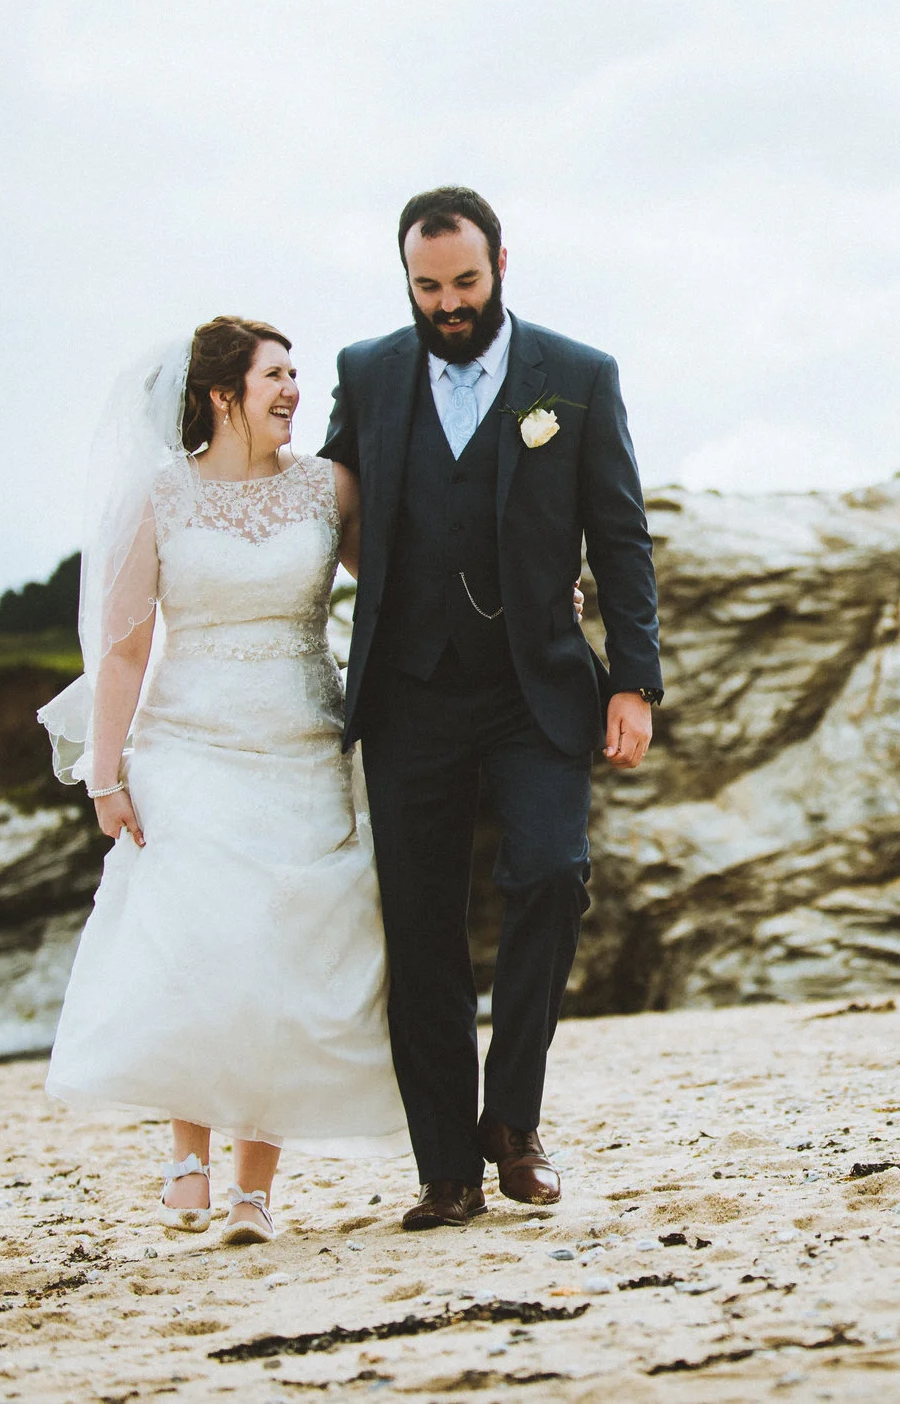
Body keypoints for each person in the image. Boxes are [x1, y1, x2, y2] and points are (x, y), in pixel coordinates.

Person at [320, 185, 661, 1230]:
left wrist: (635, 681)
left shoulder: (579, 375)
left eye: (464, 282)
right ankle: (446, 1172)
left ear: (501, 264)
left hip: (536, 683)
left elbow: (621, 537)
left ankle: (511, 1121)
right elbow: (332, 507)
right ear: (407, 280)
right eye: (427, 287)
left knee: (554, 874)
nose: (448, 303)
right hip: (411, 689)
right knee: (420, 928)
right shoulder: (367, 372)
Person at [38, 318, 407, 1244]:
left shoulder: (331, 488)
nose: (294, 390)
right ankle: (187, 1153)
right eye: (276, 375)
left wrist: (535, 588)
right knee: (201, 938)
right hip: (188, 745)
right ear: (221, 394)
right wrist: (105, 771)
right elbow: (122, 651)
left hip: (303, 744)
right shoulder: (158, 500)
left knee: (285, 950)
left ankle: (254, 1188)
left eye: (296, 375)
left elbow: (406, 587)